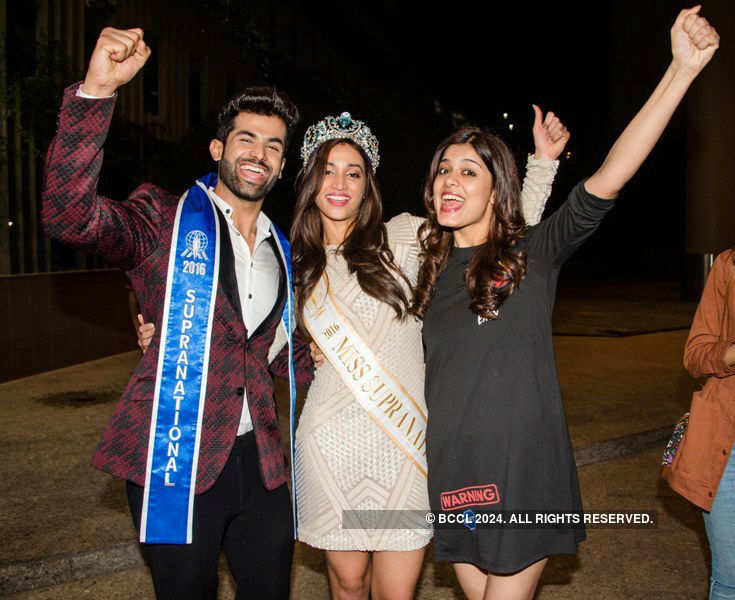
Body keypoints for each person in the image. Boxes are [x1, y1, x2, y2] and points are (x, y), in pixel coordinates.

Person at [411, 7, 719, 600]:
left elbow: (610, 177)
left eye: (468, 171)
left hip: (522, 474)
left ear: (496, 189)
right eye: (443, 169)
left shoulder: (531, 254)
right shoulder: (426, 270)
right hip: (454, 473)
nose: (450, 179)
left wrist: (679, 72)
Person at [41, 27, 313, 600]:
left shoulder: (281, 250)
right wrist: (95, 93)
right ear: (218, 149)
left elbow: (286, 355)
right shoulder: (164, 220)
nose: (257, 154)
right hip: (176, 459)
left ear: (282, 165)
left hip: (259, 463)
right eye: (245, 139)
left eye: (272, 146)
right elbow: (71, 218)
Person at [290, 107, 568, 600]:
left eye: (353, 172)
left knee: (398, 592)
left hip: (404, 446)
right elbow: (254, 337)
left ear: (368, 184)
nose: (339, 183)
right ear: (309, 182)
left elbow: (496, 232)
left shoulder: (403, 237)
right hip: (328, 443)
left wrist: (541, 167)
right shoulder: (294, 263)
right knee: (348, 582)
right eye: (327, 171)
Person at [667, 249, 735, 599]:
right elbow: (695, 353)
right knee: (730, 580)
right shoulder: (729, 264)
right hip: (727, 450)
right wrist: (729, 353)